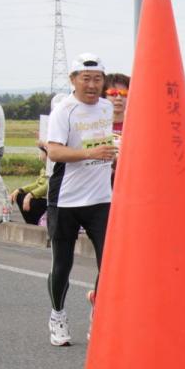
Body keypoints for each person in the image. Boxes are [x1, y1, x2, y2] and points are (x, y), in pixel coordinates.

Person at [45, 53, 115, 347]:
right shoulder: (65, 110)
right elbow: (55, 152)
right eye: (85, 79)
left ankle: (98, 313)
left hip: (100, 198)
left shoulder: (107, 108)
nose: (91, 85)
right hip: (66, 198)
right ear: (73, 80)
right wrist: (90, 154)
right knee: (63, 263)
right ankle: (57, 315)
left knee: (111, 264)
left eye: (97, 79)